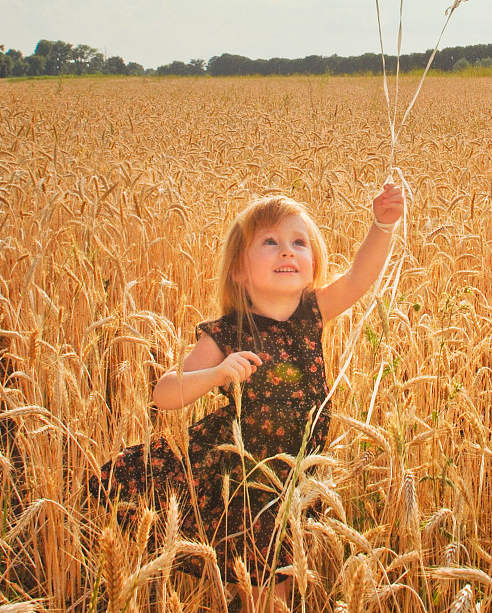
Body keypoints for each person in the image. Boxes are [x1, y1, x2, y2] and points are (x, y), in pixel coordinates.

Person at [90, 181, 404, 610]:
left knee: (283, 583)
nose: (287, 251)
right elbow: (165, 393)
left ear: (313, 263)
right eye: (270, 242)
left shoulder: (312, 313)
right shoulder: (228, 334)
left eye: (299, 242)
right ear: (238, 269)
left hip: (296, 478)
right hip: (244, 484)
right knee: (263, 592)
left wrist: (382, 224)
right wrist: (217, 372)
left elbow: (358, 278)